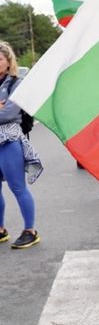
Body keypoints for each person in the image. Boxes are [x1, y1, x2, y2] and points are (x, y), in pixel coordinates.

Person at [0, 41, 41, 249]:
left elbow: (9, 113)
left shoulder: (17, 83)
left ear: (8, 62)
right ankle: (1, 229)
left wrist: (3, 108)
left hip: (9, 140)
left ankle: (30, 231)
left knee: (17, 186)